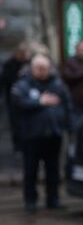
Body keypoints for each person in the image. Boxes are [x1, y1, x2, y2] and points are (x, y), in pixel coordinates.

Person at [11, 54, 72, 213]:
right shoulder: (23, 84)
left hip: (53, 134)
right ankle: (30, 201)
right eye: (39, 68)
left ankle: (53, 199)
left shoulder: (57, 84)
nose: (42, 71)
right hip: (32, 135)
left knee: (53, 169)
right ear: (32, 68)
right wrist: (40, 102)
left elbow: (67, 104)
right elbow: (19, 103)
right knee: (31, 170)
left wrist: (68, 126)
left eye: (45, 68)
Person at [0, 42, 31, 153]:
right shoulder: (9, 64)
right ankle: (18, 145)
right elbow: (4, 81)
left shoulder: (29, 63)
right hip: (13, 99)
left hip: (29, 97)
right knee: (15, 123)